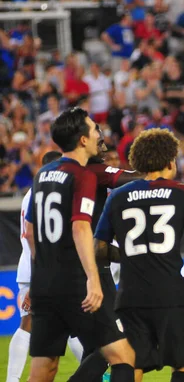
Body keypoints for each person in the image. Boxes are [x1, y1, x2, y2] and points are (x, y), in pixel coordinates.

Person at [94, 128, 184, 382]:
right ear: (171, 159)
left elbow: (99, 249)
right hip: (171, 292)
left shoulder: (117, 196)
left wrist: (126, 255)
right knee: (180, 364)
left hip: (130, 295)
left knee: (133, 365)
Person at [23, 107, 135, 382]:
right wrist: (93, 279)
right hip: (75, 281)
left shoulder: (43, 174)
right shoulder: (83, 174)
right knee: (124, 357)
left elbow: (32, 233)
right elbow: (80, 227)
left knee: (44, 368)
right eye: (94, 128)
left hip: (45, 283)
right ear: (83, 139)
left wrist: (39, 276)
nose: (99, 133)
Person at [69, 132, 145, 382]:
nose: (104, 147)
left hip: (65, 270)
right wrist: (154, 168)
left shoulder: (60, 174)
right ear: (82, 141)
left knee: (96, 347)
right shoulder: (94, 170)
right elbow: (131, 178)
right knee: (118, 346)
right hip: (91, 272)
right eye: (99, 141)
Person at [6, 151, 85, 382]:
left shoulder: (32, 193)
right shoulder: (46, 192)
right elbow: (38, 236)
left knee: (67, 327)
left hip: (35, 267)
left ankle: (97, 374)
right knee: (31, 324)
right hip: (43, 267)